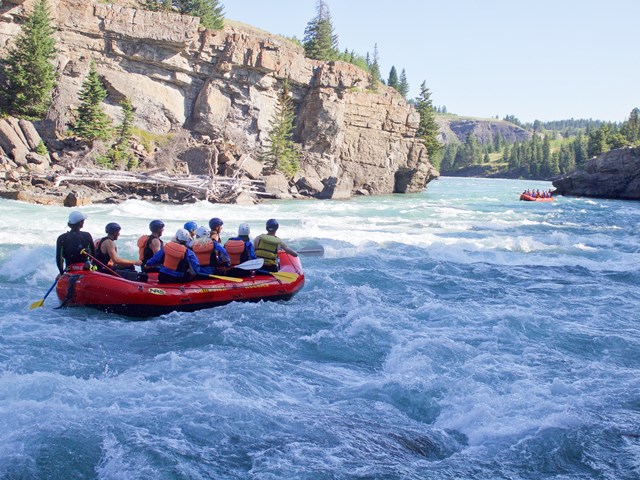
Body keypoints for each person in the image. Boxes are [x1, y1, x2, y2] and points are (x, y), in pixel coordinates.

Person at [55, 210, 95, 274]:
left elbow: (59, 258)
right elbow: (93, 255)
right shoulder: (87, 235)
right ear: (80, 223)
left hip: (70, 269)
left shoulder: (61, 238)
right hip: (85, 269)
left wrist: (61, 272)